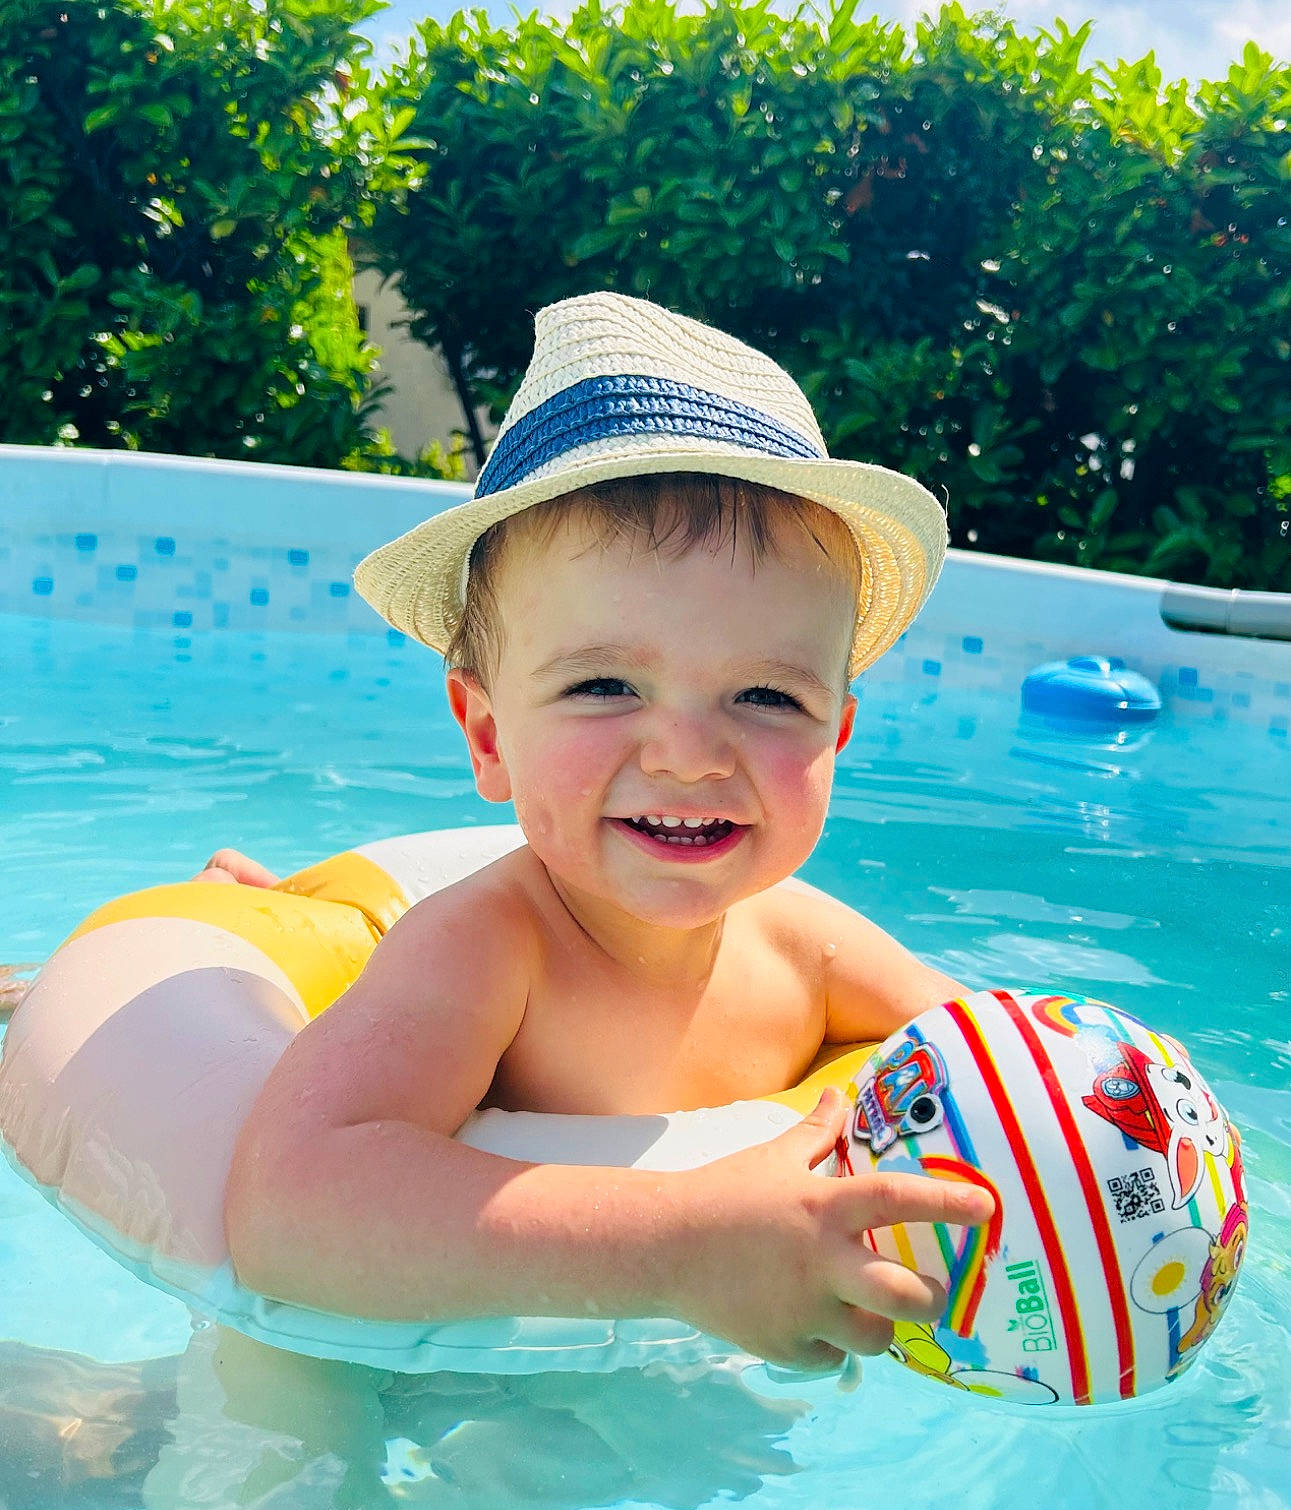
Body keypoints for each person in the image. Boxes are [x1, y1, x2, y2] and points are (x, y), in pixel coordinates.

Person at [223, 291, 995, 1374]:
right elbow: (285, 1211)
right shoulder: (487, 952)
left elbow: (1009, 1064)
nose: (689, 753)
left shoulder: (805, 946)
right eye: (602, 683)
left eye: (769, 697)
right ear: (487, 736)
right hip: (402, 1365)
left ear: (838, 732)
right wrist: (679, 1247)